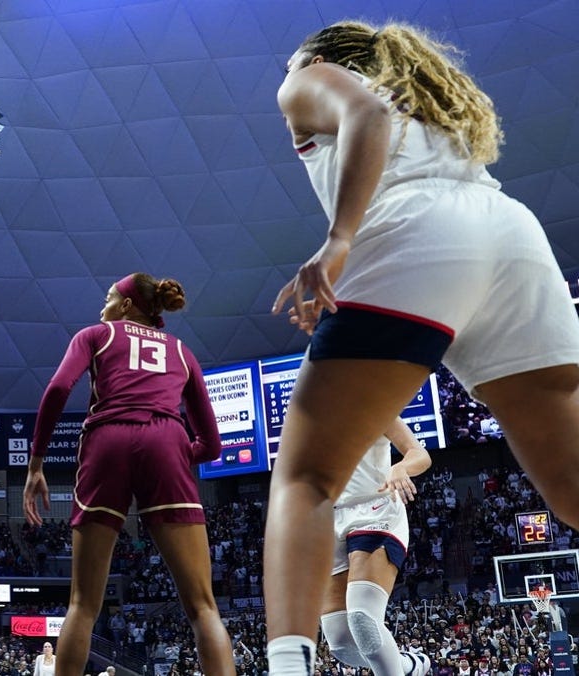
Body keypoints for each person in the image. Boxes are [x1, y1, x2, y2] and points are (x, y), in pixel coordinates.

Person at [264, 19, 579, 676]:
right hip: (509, 234)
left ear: (317, 56)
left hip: (419, 230)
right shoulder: (420, 98)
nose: (284, 73)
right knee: (573, 490)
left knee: (303, 479)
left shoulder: (307, 79)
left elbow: (366, 115)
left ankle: (286, 666)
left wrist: (339, 240)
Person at [23, 272, 233, 676]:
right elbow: (212, 446)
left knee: (83, 604)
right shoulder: (182, 351)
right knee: (203, 606)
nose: (102, 306)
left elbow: (57, 389)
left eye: (108, 297)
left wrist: (36, 463)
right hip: (167, 437)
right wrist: (172, 453)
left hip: (108, 438)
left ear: (126, 305)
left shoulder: (96, 335)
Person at [320, 419, 433, 676]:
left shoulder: (376, 406)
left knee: (363, 620)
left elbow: (420, 455)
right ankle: (408, 666)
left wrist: (401, 467)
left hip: (375, 508)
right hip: (329, 518)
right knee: (339, 641)